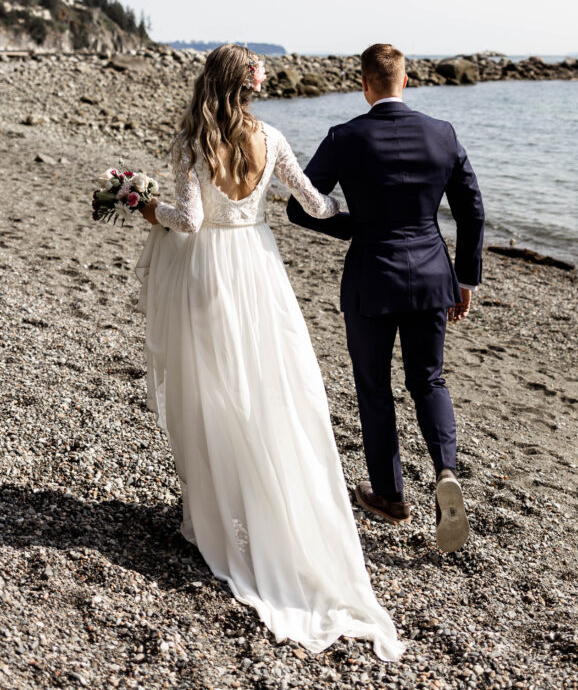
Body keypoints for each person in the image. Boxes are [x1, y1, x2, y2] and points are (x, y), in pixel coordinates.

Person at [135, 44, 403, 660]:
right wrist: (375, 215)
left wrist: (142, 203)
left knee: (210, 393)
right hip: (259, 271)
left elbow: (187, 221)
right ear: (251, 85)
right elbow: (315, 204)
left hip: (207, 276)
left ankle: (209, 515)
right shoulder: (274, 138)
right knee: (268, 391)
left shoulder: (191, 140)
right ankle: (264, 510)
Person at [287, 43, 485, 552]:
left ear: (365, 84)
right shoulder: (442, 134)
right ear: (406, 81)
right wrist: (465, 280)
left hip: (372, 275)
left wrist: (359, 226)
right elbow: (471, 211)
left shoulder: (346, 137)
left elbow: (300, 207)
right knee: (429, 379)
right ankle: (444, 470)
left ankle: (392, 496)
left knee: (374, 388)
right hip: (429, 276)